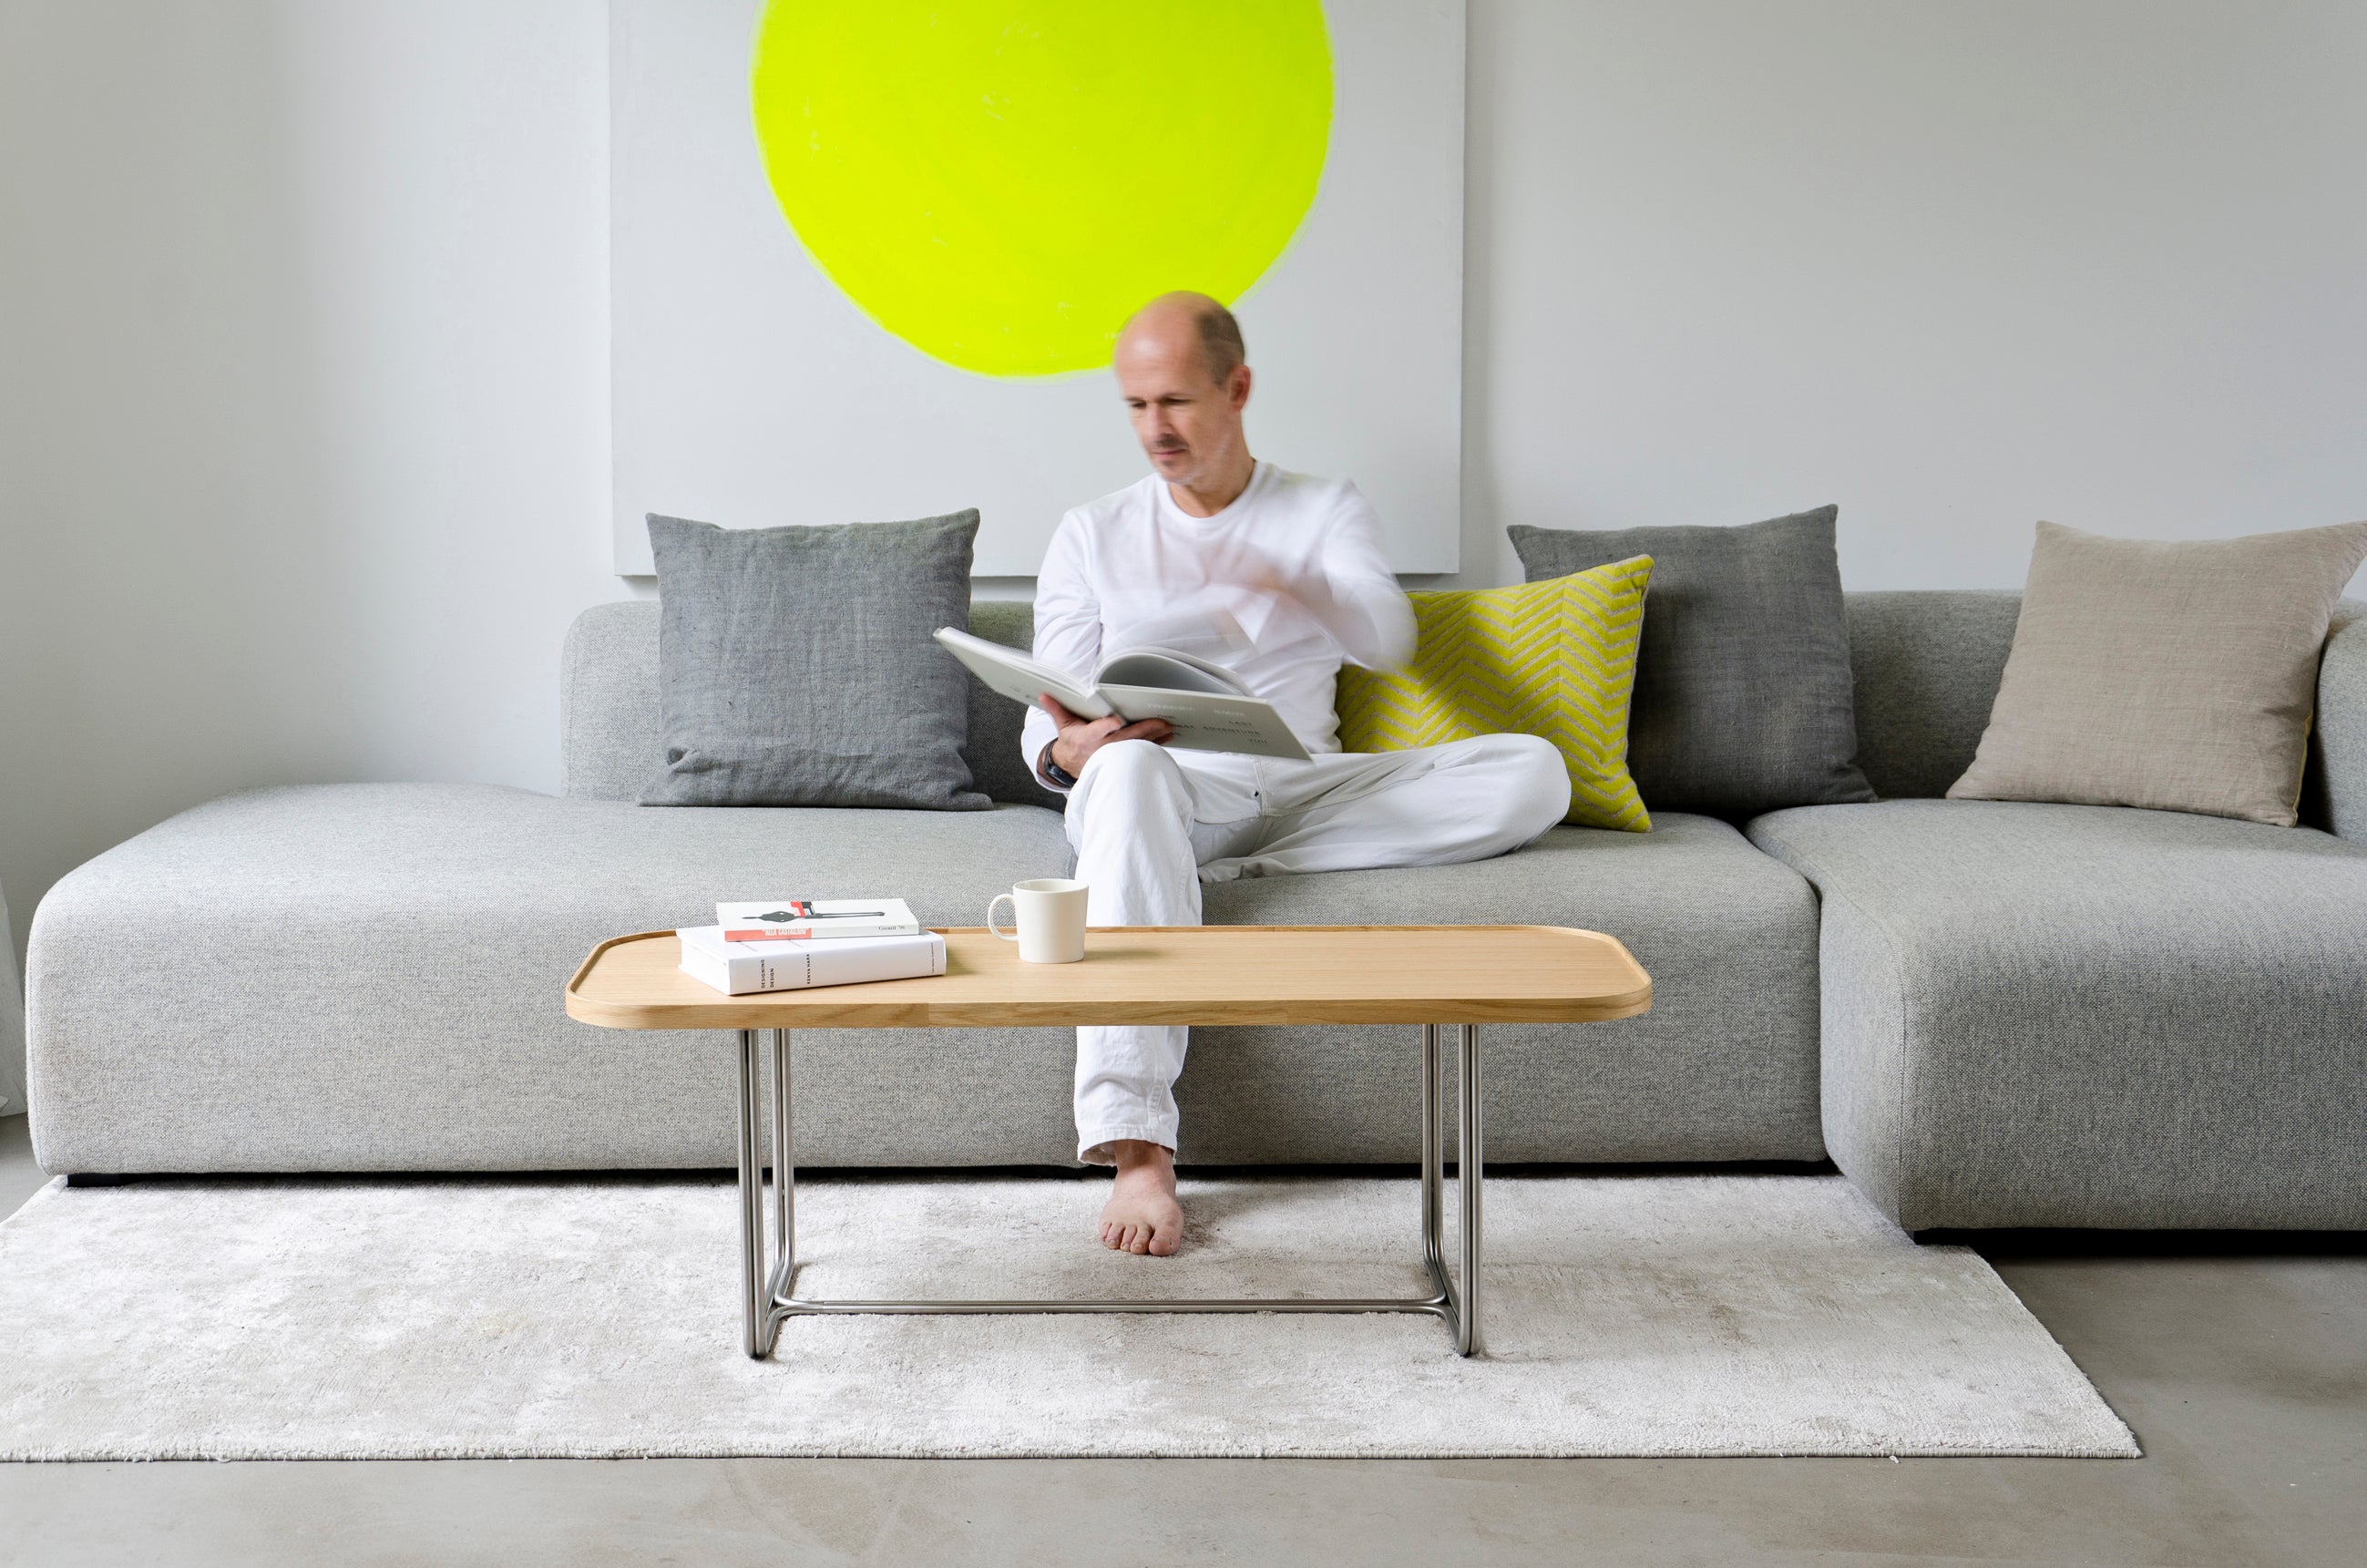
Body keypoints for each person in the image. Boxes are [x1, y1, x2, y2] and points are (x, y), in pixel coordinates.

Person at [1022, 292, 1572, 1257]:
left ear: (1237, 388)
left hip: (1303, 792)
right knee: (1133, 769)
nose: (1155, 428)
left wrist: (1295, 580)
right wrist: (1067, 749)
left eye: (1176, 401)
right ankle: (1139, 1149)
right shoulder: (1092, 531)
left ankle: (1214, 875)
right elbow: (1051, 704)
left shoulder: (1321, 507)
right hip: (1163, 788)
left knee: (1533, 770)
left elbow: (1388, 637)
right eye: (1137, 405)